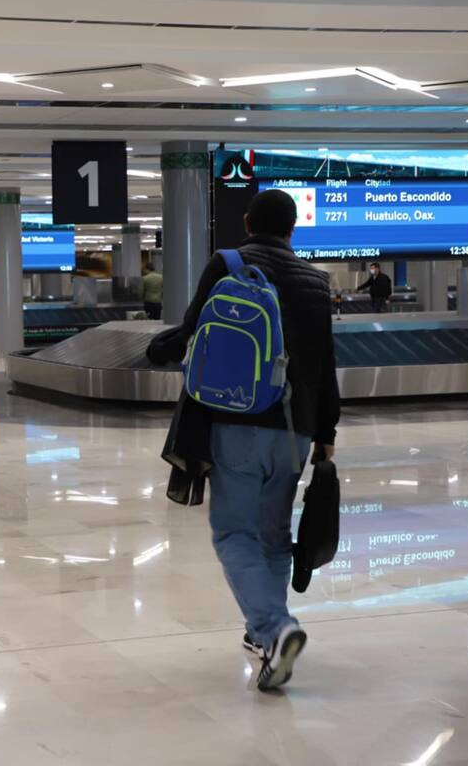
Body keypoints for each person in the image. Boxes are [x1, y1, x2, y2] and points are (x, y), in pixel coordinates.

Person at [155, 188, 340, 691]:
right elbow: (325, 366)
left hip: (235, 419)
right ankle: (264, 636)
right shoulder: (316, 282)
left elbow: (193, 328)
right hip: (294, 429)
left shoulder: (228, 263)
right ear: (293, 229)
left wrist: (158, 349)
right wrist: (326, 433)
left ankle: (275, 629)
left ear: (246, 222)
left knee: (234, 533)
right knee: (275, 534)